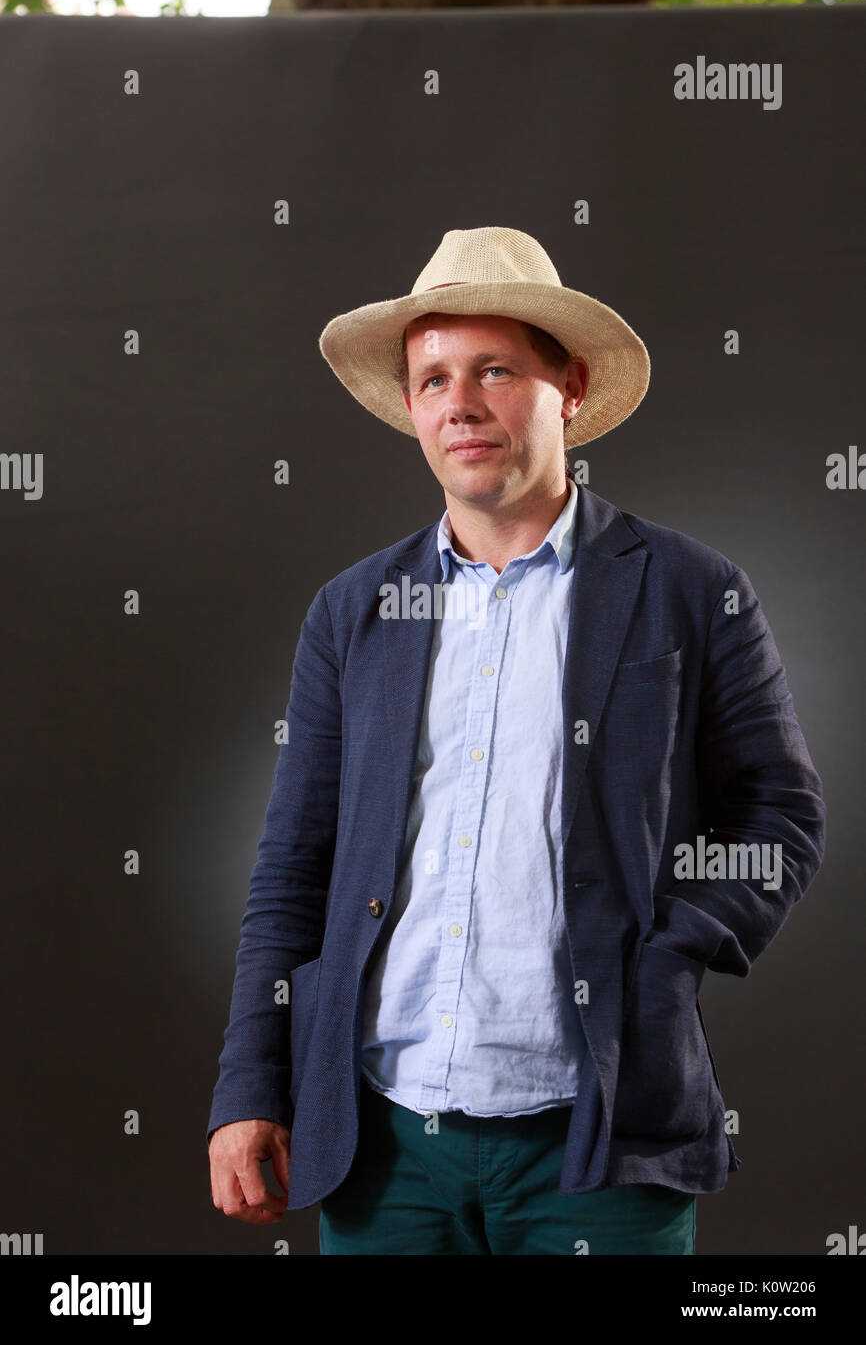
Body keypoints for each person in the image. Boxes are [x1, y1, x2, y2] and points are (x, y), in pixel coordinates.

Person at [207, 226, 825, 1255]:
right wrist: (247, 1083)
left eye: (495, 369)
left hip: (603, 1140)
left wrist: (671, 947)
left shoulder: (687, 588)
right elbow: (292, 861)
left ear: (567, 387)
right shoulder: (352, 610)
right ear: (410, 405)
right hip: (381, 1141)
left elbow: (780, 816)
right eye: (434, 376)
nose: (460, 402)